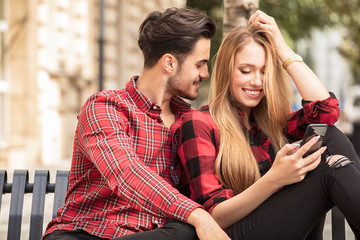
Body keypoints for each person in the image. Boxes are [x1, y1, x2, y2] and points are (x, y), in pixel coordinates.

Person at [42, 7, 230, 240]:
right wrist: (198, 216)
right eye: (199, 64)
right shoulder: (105, 108)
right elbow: (126, 173)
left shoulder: (190, 121)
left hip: (153, 235)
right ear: (169, 63)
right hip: (86, 232)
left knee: (185, 233)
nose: (206, 74)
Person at [177, 10, 360, 240]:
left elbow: (326, 111)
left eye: (265, 72)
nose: (257, 81)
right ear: (226, 72)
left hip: (277, 225)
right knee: (329, 171)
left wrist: (282, 48)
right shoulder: (199, 123)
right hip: (231, 234)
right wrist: (274, 179)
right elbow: (212, 216)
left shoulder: (272, 123)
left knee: (329, 136)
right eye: (246, 71)